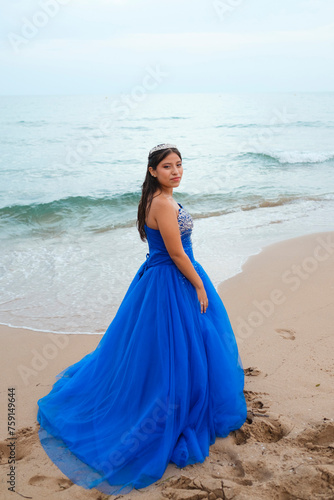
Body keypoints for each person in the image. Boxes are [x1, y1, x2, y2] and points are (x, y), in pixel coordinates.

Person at [37, 143, 247, 496]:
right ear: (153, 171)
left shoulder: (159, 198)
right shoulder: (162, 203)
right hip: (172, 280)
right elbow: (177, 253)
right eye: (168, 166)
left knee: (171, 346)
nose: (176, 171)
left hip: (163, 277)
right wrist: (198, 284)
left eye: (180, 165)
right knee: (178, 345)